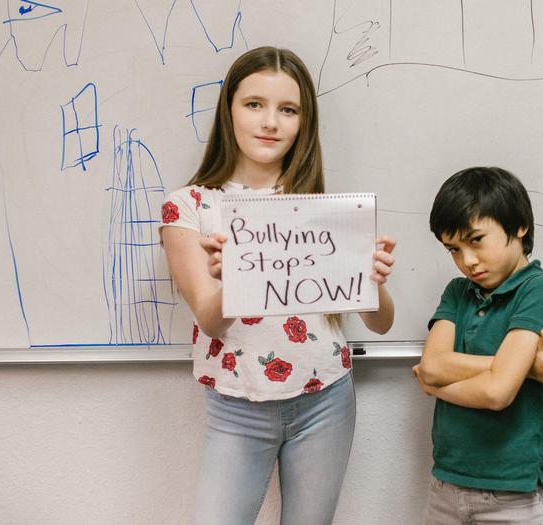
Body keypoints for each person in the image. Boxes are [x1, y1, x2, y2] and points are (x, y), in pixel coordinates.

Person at [159, 46, 396, 525]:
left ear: (303, 123)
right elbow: (209, 317)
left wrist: (375, 280)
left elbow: (381, 322)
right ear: (229, 111)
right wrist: (237, 276)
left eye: (288, 110)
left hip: (326, 397)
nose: (270, 122)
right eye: (254, 105)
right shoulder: (188, 206)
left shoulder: (324, 207)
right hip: (237, 405)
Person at [413, 166, 543, 524]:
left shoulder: (539, 289)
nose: (467, 261)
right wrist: (524, 368)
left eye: (476, 240)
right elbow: (432, 367)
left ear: (519, 227)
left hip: (513, 493)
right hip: (446, 483)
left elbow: (498, 393)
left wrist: (437, 382)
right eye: (453, 249)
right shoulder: (457, 292)